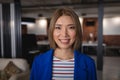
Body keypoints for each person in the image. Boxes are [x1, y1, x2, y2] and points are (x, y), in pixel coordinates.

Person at [30, 7, 97, 80]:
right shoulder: (39, 61)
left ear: (77, 31)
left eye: (71, 27)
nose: (64, 34)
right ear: (52, 31)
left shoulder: (89, 63)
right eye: (58, 28)